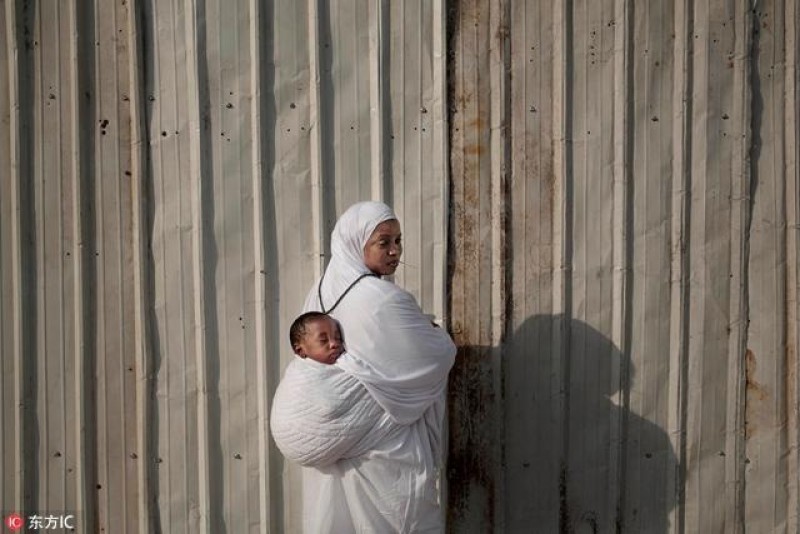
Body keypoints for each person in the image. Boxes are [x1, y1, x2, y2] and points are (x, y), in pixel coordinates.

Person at [298, 201, 456, 533]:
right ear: (356, 243)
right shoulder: (383, 300)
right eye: (383, 242)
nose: (395, 251)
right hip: (381, 453)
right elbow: (437, 355)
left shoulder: (319, 293)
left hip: (336, 445)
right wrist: (435, 332)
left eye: (398, 241)